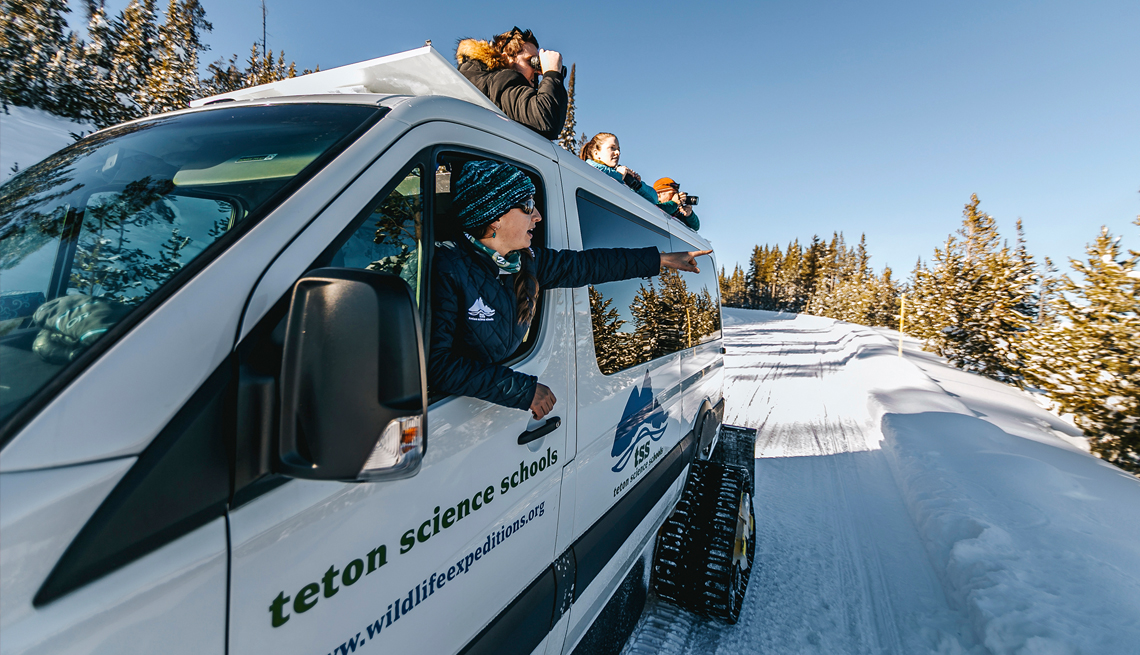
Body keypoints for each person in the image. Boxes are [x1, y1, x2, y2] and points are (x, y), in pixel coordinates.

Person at [430, 160, 709, 420]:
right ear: (494, 217)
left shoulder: (528, 262)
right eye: (527, 206)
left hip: (485, 417)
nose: (537, 216)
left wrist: (661, 259)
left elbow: (591, 265)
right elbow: (438, 364)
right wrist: (522, 390)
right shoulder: (448, 268)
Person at [455, 27, 568, 140]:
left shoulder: (478, 80)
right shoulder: (499, 83)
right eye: (531, 61)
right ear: (505, 58)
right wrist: (552, 74)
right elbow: (546, 120)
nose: (537, 71)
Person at [579, 132, 659, 205]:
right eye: (612, 148)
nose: (618, 153)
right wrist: (619, 175)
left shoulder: (620, 178)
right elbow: (595, 169)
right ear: (596, 153)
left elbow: (653, 199)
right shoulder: (587, 169)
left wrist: (638, 185)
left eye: (618, 149)